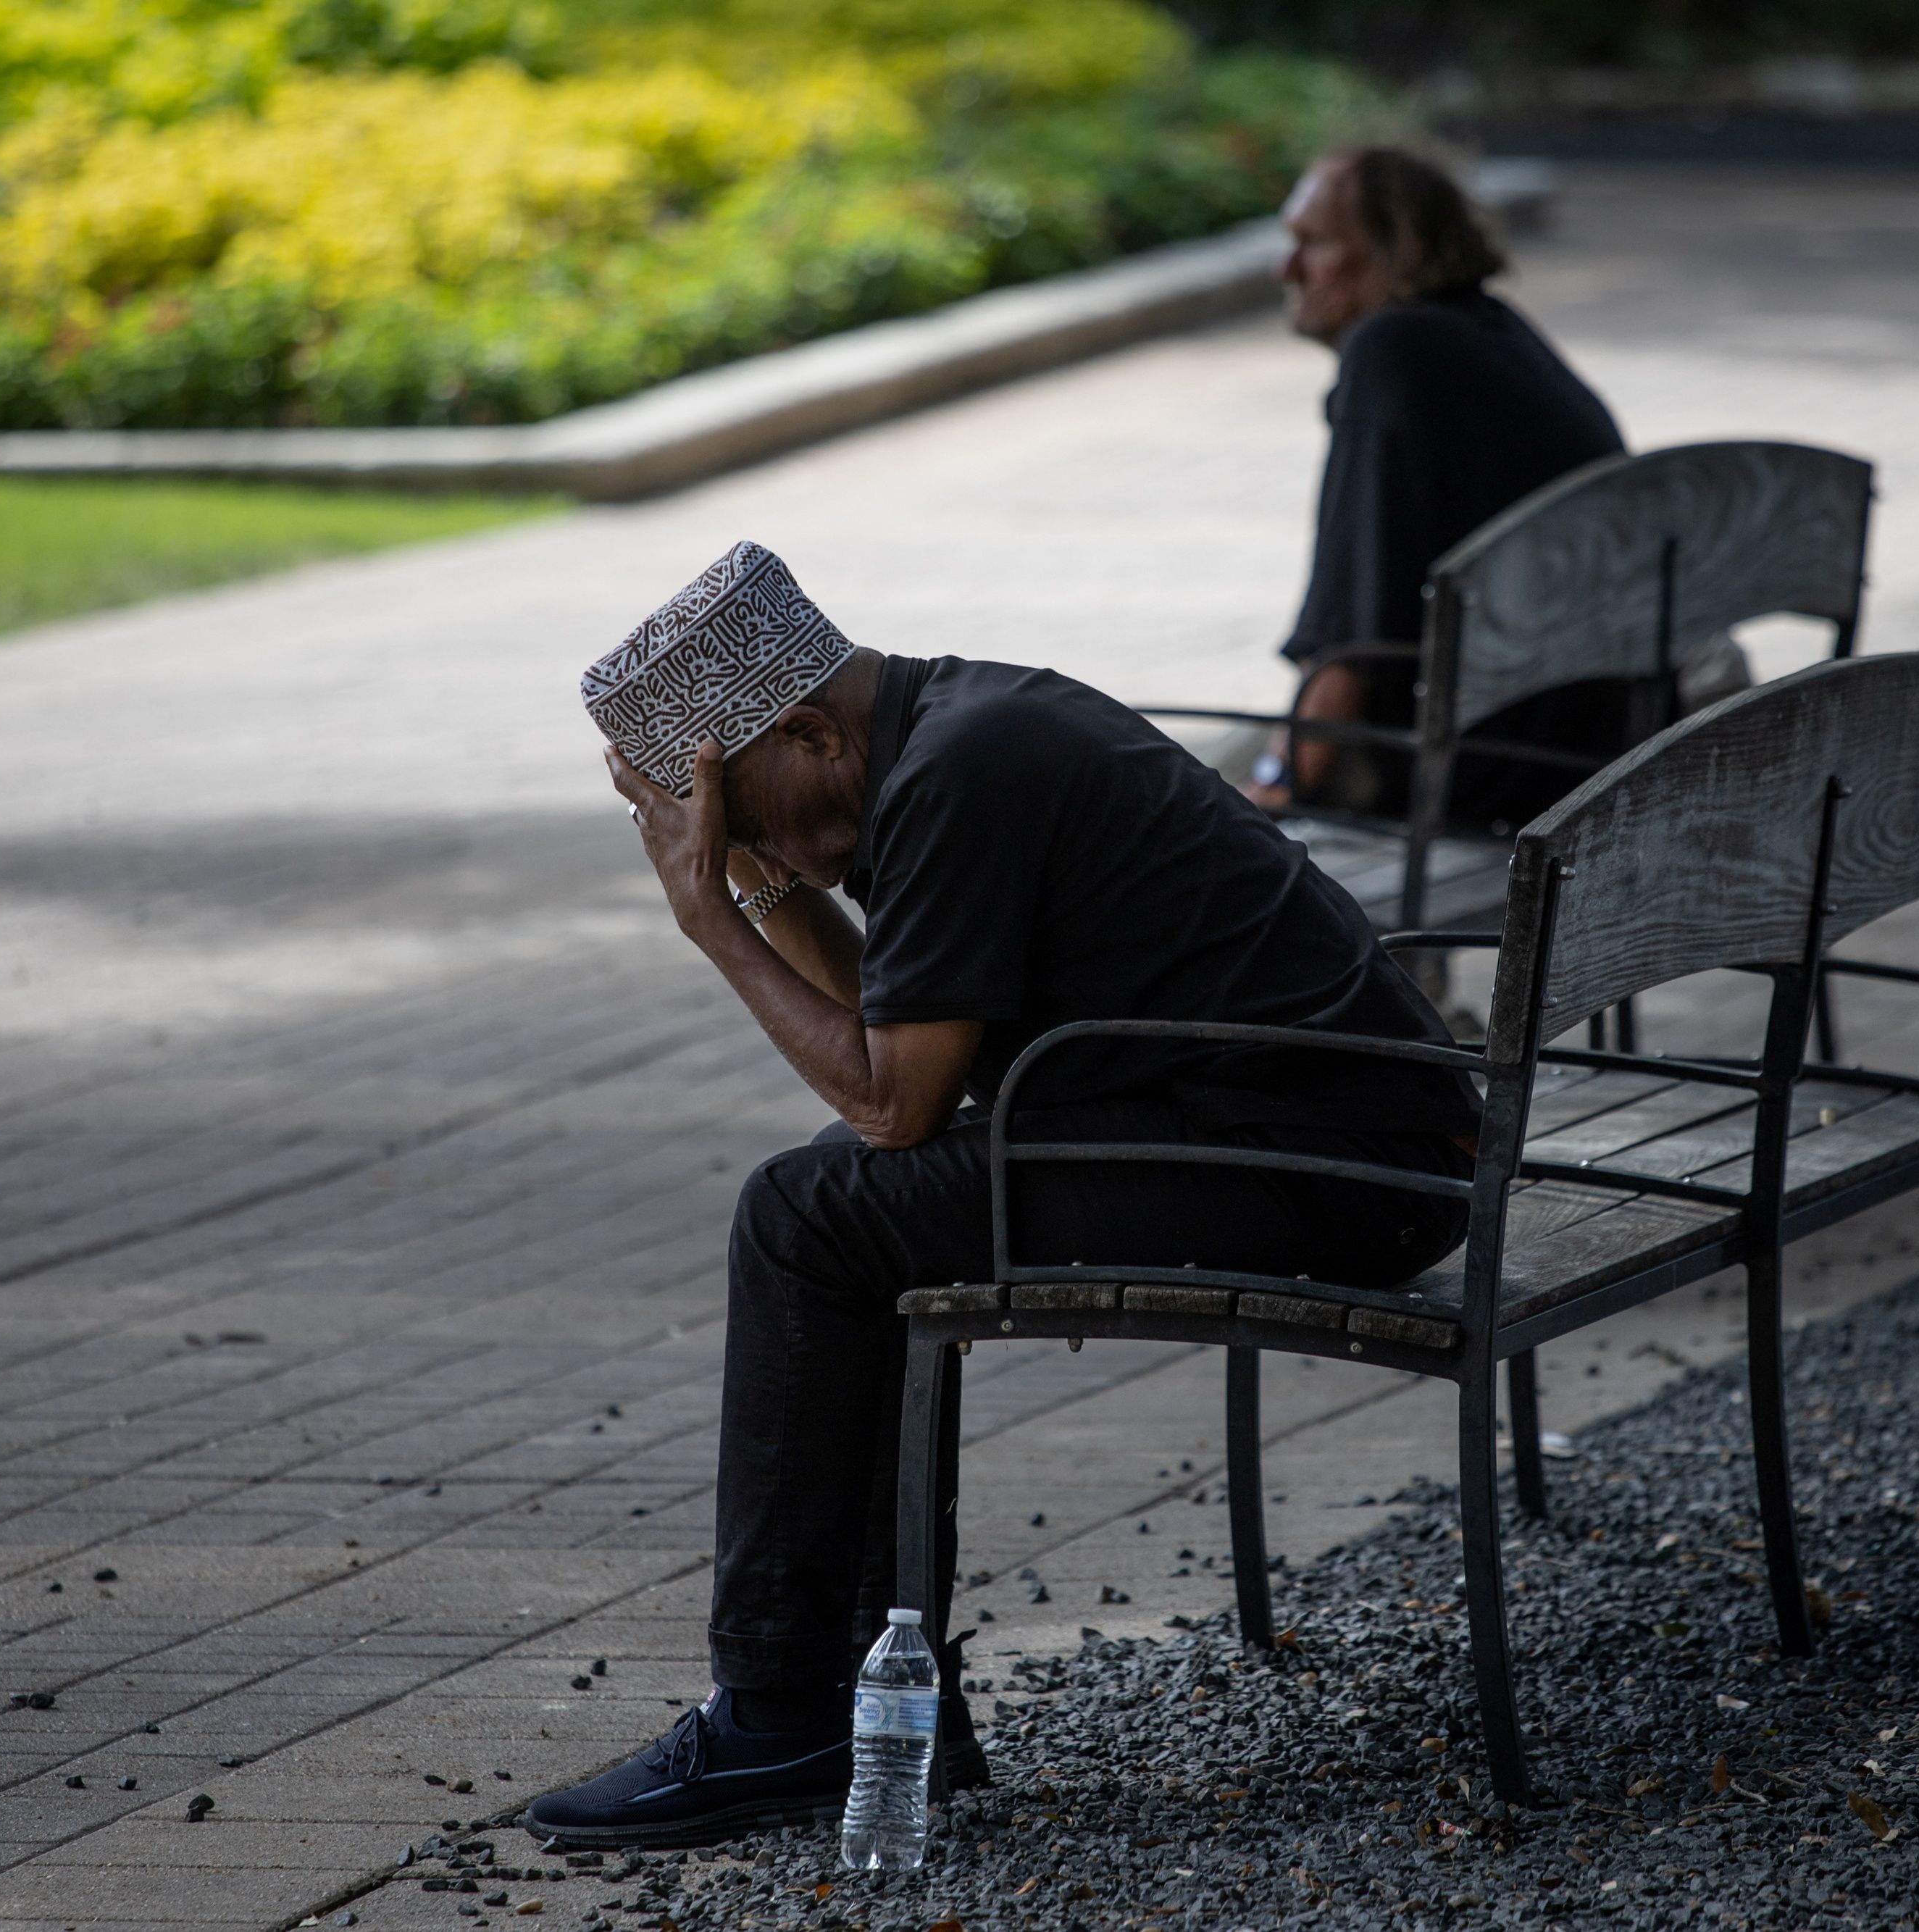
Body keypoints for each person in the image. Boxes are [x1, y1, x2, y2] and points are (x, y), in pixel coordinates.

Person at [527, 539, 1476, 1848]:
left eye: (747, 820)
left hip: (1333, 1167)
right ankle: (852, 1703)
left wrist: (713, 919)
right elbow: (897, 1043)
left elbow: (893, 1101)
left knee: (804, 1213)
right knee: (834, 1206)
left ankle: (780, 1710)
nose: (753, 856)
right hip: (1324, 1135)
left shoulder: (961, 775)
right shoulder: (957, 727)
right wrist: (760, 878)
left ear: (808, 731)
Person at [1249, 145, 1658, 829]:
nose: (1286, 269)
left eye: (1313, 243)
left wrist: (1276, 785)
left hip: (1489, 775)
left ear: (1392, 250)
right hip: (1589, 743)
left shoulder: (1393, 350)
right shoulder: (1494, 333)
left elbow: (1353, 632)